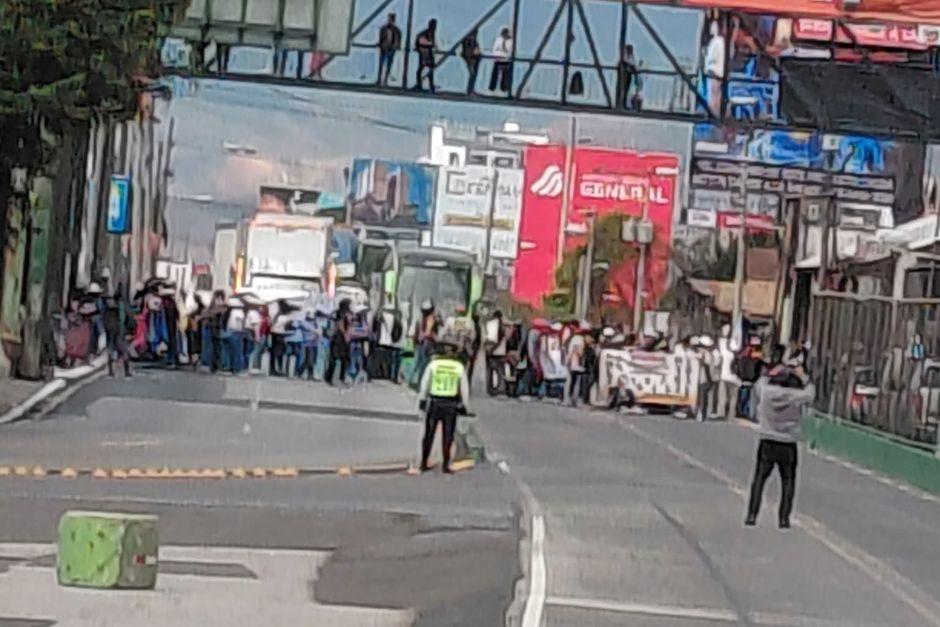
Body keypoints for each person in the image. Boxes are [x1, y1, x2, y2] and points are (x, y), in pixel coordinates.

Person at [745, 364, 815, 529]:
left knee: (759, 480)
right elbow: (811, 393)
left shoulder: (767, 392)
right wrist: (803, 376)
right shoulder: (797, 396)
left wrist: (773, 371)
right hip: (788, 443)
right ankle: (784, 518)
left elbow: (759, 383)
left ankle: (751, 515)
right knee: (788, 481)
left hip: (767, 439)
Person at [416, 338, 471, 474]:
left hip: (434, 402)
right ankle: (446, 465)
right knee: (448, 435)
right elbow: (464, 388)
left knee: (429, 433)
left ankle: (423, 462)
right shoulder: (458, 367)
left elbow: (425, 384)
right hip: (450, 404)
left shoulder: (433, 365)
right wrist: (464, 405)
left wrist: (422, 400)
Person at [733, 336, 765, 419]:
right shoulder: (747, 353)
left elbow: (761, 362)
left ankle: (744, 411)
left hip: (751, 378)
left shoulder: (756, 354)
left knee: (747, 396)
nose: (754, 347)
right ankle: (741, 411)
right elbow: (739, 359)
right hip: (746, 377)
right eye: (753, 345)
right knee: (744, 395)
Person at [103, 289, 132, 378]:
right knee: (124, 351)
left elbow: (104, 320)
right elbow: (130, 318)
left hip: (111, 332)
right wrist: (130, 331)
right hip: (121, 331)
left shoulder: (109, 308)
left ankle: (111, 372)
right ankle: (127, 373)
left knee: (111, 351)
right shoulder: (124, 306)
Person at [410, 300, 439, 387]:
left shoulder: (421, 318)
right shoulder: (431, 318)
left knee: (418, 363)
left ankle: (412, 380)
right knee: (424, 363)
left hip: (420, 343)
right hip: (427, 343)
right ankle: (420, 382)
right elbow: (428, 332)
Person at [325, 299, 352, 386]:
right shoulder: (342, 313)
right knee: (342, 359)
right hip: (340, 339)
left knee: (336, 359)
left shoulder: (337, 312)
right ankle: (340, 378)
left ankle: (330, 377)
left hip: (336, 338)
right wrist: (345, 335)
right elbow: (340, 324)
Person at [718, 325, 740, 420]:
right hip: (728, 375)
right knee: (730, 396)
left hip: (727, 375)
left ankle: (725, 413)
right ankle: (728, 414)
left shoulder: (723, 342)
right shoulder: (726, 342)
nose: (725, 331)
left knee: (727, 396)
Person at [696, 335, 721, 421]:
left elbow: (707, 367)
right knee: (703, 397)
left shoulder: (706, 355)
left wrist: (710, 380)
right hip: (705, 379)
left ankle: (701, 415)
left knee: (702, 397)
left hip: (704, 379)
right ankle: (702, 414)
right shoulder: (706, 354)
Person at [704, 20, 726, 116]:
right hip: (714, 71)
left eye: (714, 27)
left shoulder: (718, 41)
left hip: (714, 71)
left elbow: (714, 56)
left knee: (714, 94)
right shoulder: (716, 41)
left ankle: (714, 114)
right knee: (713, 94)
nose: (712, 29)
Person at [565, 322, 590, 407]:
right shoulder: (579, 338)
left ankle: (570, 400)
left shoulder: (575, 337)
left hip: (573, 363)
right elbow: (577, 350)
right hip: (575, 364)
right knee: (575, 382)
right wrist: (581, 355)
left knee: (572, 381)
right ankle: (572, 400)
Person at [484, 310, 507, 396]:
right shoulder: (503, 325)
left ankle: (492, 389)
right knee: (500, 372)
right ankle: (501, 388)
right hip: (502, 352)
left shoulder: (492, 324)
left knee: (491, 371)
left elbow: (492, 339)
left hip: (493, 352)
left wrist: (490, 349)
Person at [377, 13, 402, 86]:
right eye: (389, 19)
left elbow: (398, 39)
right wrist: (381, 45)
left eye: (391, 19)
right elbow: (381, 38)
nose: (390, 20)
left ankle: (385, 80)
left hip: (391, 49)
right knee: (381, 64)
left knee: (388, 65)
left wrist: (396, 46)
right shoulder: (384, 28)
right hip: (384, 48)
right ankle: (379, 80)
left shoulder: (396, 30)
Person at [414, 19, 437, 93]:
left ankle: (426, 86)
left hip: (426, 54)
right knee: (423, 70)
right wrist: (430, 44)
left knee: (426, 70)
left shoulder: (430, 33)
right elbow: (421, 41)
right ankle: (421, 86)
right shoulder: (426, 33)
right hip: (424, 54)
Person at [490, 27, 513, 94]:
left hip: (506, 60)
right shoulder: (498, 39)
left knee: (505, 75)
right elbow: (494, 49)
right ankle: (492, 87)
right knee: (495, 74)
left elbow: (509, 51)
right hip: (498, 59)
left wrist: (503, 49)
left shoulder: (511, 41)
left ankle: (504, 88)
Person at [461, 28, 483, 94]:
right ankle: (470, 90)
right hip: (471, 59)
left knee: (473, 75)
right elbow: (467, 50)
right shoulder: (470, 39)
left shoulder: (470, 39)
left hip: (473, 59)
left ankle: (471, 90)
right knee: (472, 74)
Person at [617, 44, 638, 110]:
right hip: (624, 76)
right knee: (623, 90)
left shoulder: (629, 58)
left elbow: (632, 65)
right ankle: (622, 105)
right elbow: (629, 65)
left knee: (626, 90)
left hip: (628, 76)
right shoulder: (624, 60)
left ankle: (624, 104)